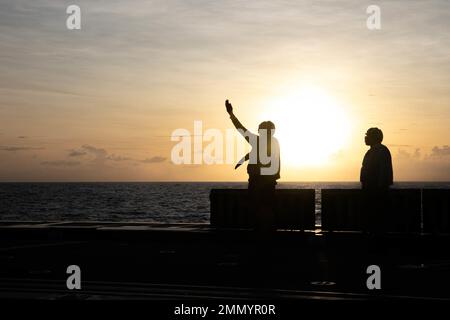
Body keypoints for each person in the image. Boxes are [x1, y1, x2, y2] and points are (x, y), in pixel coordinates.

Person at [225, 99, 280, 231]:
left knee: (258, 209)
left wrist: (231, 114)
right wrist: (243, 159)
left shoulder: (260, 141)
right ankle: (266, 231)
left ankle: (261, 232)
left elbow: (241, 129)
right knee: (266, 208)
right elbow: (258, 153)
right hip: (268, 181)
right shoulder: (273, 142)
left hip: (258, 181)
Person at [360, 127, 393, 234]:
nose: (365, 138)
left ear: (374, 137)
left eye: (367, 135)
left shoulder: (380, 150)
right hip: (371, 191)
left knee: (376, 221)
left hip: (376, 192)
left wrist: (379, 188)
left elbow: (383, 171)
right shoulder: (374, 150)